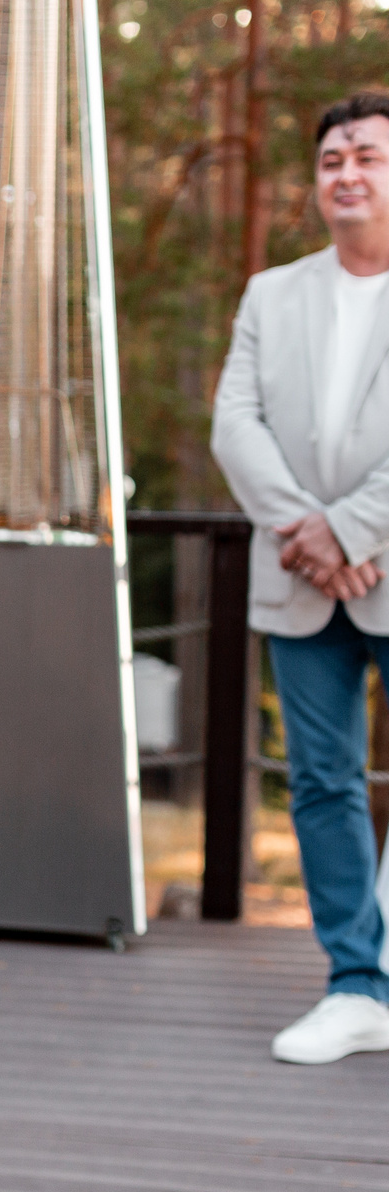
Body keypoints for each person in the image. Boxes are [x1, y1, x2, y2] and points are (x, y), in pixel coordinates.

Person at [212, 91, 389, 1065]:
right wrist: (305, 532)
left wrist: (352, 527)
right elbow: (232, 427)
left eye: (365, 154)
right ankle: (355, 986)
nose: (347, 173)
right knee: (321, 784)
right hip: (299, 580)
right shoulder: (269, 294)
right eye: (331, 159)